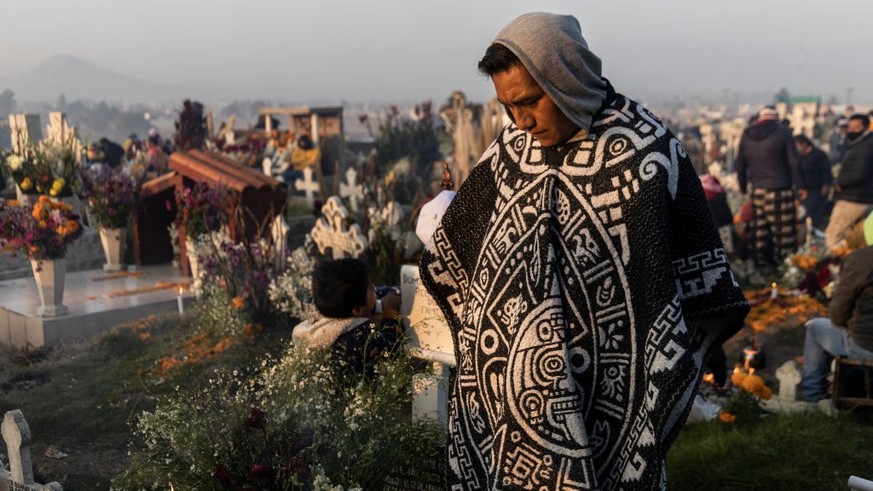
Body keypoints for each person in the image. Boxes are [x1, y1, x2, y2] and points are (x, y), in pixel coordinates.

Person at [418, 12, 748, 490]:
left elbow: (694, 281)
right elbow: (455, 249)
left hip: (606, 396)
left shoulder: (645, 154)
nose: (521, 120)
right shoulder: (510, 149)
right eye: (508, 107)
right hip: (505, 400)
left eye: (530, 102)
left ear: (566, 78)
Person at [800, 212, 873, 402]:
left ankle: (813, 398)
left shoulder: (863, 259)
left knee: (815, 328)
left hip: (865, 345)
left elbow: (838, 314)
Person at [291, 258, 402, 378]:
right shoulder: (358, 335)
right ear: (357, 310)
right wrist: (391, 311)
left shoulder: (323, 306)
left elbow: (369, 297)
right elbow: (392, 348)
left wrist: (396, 291)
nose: (374, 289)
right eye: (370, 289)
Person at [734, 106, 807, 273]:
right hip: (780, 188)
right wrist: (801, 186)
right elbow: (794, 163)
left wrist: (743, 187)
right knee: (783, 232)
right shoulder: (783, 133)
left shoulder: (747, 135)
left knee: (758, 229)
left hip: (757, 190)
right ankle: (784, 268)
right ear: (776, 118)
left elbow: (739, 165)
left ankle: (757, 266)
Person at [824, 113, 873, 250]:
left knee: (834, 236)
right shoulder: (860, 144)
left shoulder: (865, 147)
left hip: (854, 198)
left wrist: (840, 183)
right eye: (849, 127)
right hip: (859, 196)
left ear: (865, 128)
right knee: (850, 237)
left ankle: (833, 267)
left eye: (854, 128)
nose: (850, 131)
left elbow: (859, 174)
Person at [794, 135, 833, 230]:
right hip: (803, 190)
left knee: (813, 213)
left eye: (797, 145)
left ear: (804, 144)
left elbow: (826, 171)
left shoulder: (819, 155)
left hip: (816, 189)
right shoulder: (798, 156)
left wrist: (826, 184)